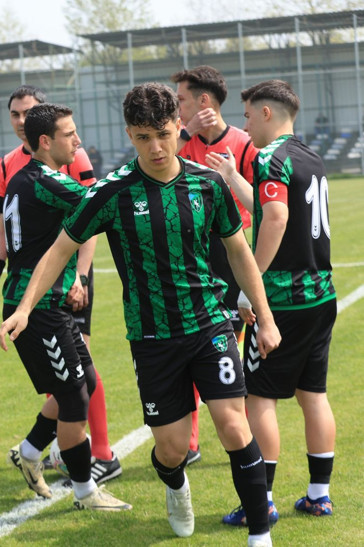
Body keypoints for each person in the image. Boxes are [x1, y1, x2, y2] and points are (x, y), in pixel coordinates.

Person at [0, 83, 281, 547]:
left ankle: (259, 535)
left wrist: (265, 317)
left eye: (164, 134)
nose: (155, 147)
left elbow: (239, 252)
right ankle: (175, 485)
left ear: (179, 128)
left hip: (209, 323)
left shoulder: (208, 184)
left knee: (233, 424)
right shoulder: (112, 192)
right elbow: (59, 249)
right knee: (169, 451)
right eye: (144, 137)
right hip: (151, 339)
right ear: (130, 134)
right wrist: (25, 307)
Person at [206, 79, 338, 524]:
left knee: (259, 399)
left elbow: (275, 218)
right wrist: (231, 177)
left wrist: (250, 285)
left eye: (246, 116)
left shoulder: (269, 157)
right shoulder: (309, 156)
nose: (243, 126)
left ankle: (258, 503)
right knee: (312, 394)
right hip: (321, 293)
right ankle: (319, 495)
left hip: (284, 298)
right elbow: (269, 207)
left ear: (266, 113)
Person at [0, 84, 121, 485]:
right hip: (37, 307)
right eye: (70, 134)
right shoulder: (42, 179)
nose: (78, 140)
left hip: (47, 302)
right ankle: (84, 488)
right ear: (45, 142)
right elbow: (99, 203)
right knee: (75, 392)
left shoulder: (29, 176)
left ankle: (29, 452)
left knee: (84, 383)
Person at [171, 65, 259, 466]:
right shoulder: (179, 141)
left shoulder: (243, 143)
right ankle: (189, 443)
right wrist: (185, 133)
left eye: (181, 100)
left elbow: (260, 205)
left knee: (230, 350)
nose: (177, 107)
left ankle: (239, 435)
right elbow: (150, 163)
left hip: (231, 255)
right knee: (188, 346)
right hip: (191, 258)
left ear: (203, 101)